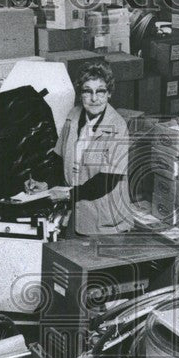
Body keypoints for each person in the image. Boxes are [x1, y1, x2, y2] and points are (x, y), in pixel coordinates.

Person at [26, 63, 133, 235]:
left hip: (105, 219)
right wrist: (45, 183)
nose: (94, 98)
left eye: (100, 91)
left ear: (109, 94)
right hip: (76, 212)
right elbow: (58, 159)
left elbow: (107, 180)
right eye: (87, 91)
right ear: (80, 94)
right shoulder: (73, 117)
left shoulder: (117, 127)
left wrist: (67, 195)